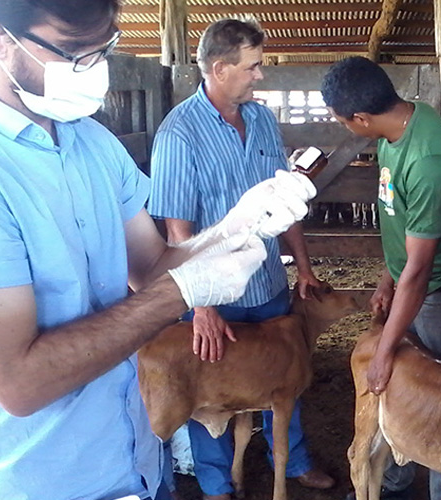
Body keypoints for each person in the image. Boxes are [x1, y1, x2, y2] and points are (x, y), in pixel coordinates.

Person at [0, 2, 315, 500]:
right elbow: (18, 382)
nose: (96, 71)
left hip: (135, 460)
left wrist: (234, 227)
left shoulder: (90, 139)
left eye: (103, 50)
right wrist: (185, 293)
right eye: (75, 53)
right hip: (49, 479)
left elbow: (152, 266)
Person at [148, 19, 333, 500]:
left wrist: (305, 266)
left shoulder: (264, 120)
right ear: (218, 68)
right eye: (252, 67)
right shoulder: (179, 133)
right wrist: (201, 306)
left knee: (283, 377)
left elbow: (284, 197)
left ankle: (293, 465)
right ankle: (215, 483)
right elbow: (177, 229)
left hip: (268, 282)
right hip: (214, 292)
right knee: (205, 385)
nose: (260, 76)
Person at [321, 56, 441, 500]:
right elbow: (399, 220)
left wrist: (385, 348)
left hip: (439, 294)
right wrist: (388, 276)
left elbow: (422, 269)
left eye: (343, 121)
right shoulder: (393, 134)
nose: (345, 126)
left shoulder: (429, 158)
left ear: (362, 117)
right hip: (409, 284)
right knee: (405, 392)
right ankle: (394, 481)